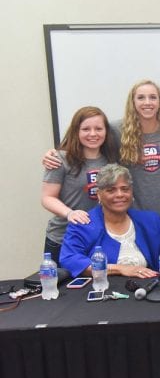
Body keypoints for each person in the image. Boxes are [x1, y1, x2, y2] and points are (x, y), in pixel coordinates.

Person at [42, 80, 160, 220]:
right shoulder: (117, 130)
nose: (147, 102)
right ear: (132, 102)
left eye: (153, 97)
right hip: (129, 216)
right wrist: (54, 154)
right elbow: (91, 140)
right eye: (141, 97)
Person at [59, 164, 160, 278]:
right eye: (111, 190)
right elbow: (69, 259)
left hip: (147, 290)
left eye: (125, 189)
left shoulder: (149, 221)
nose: (120, 194)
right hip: (104, 291)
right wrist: (120, 269)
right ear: (99, 195)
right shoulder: (83, 224)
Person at [41, 106, 118, 264]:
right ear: (76, 131)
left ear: (106, 132)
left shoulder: (111, 160)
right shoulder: (60, 158)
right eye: (86, 129)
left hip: (98, 240)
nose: (92, 134)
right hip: (63, 238)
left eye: (98, 128)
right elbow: (47, 198)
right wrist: (70, 213)